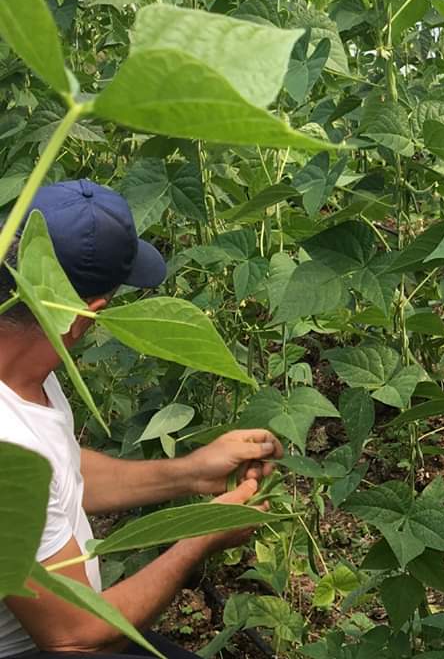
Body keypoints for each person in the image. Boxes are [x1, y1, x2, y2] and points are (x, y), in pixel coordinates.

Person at [0, 179, 284, 659]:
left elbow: (55, 480)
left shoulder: (23, 369)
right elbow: (75, 635)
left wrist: (190, 473)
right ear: (86, 315)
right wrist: (199, 538)